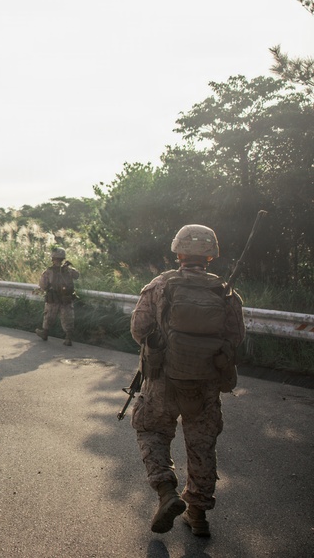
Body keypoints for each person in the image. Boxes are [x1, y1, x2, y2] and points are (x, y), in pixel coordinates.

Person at [129, 224, 245, 537]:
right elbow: (236, 337)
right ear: (211, 255)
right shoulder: (225, 292)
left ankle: (166, 492)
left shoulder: (160, 284)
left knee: (152, 430)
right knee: (201, 445)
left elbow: (139, 329)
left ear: (178, 252)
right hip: (205, 384)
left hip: (163, 380)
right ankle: (198, 515)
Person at [35, 247, 80, 345]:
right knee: (67, 318)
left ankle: (45, 333)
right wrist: (69, 267)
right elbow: (77, 275)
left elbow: (43, 285)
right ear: (63, 258)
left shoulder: (49, 271)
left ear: (53, 258)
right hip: (66, 299)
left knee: (48, 317)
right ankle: (68, 338)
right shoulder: (69, 270)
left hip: (53, 299)